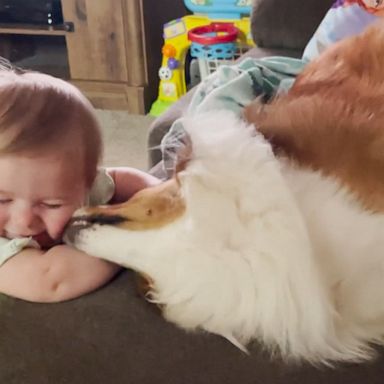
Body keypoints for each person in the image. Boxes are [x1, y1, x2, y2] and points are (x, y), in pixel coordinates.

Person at [0, 64, 160, 303]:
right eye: (2, 199)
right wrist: (129, 237)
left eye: (52, 204)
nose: (23, 220)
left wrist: (161, 194)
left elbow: (122, 178)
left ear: (87, 183)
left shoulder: (81, 185)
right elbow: (50, 281)